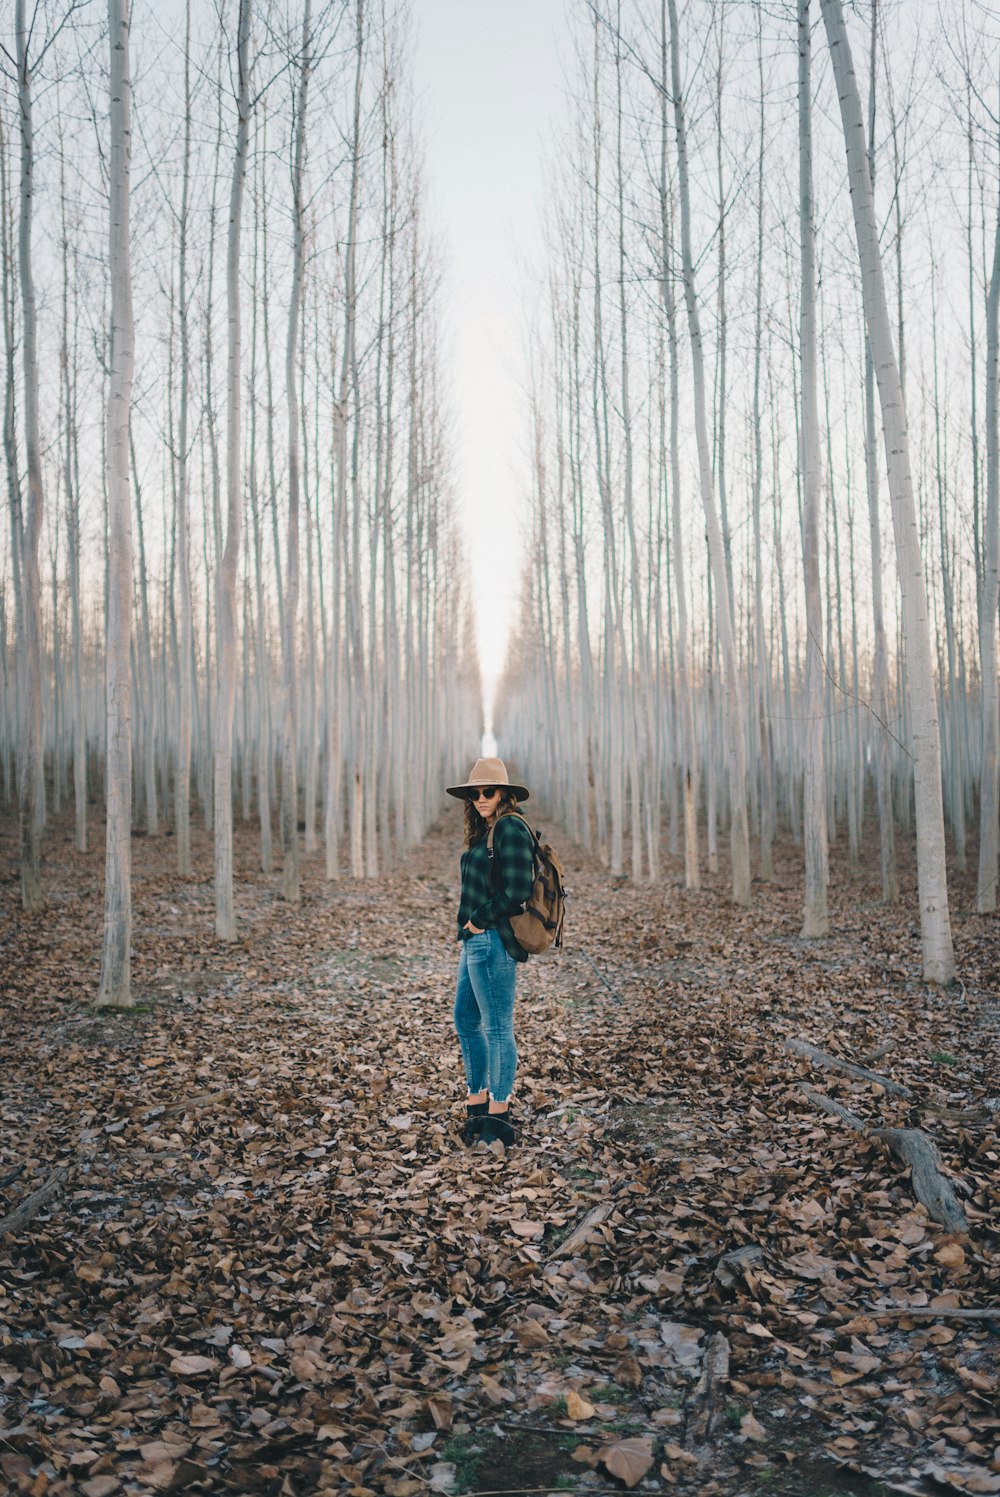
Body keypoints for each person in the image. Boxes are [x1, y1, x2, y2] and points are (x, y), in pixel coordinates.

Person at [446, 757, 535, 1149]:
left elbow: (518, 891)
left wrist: (479, 919)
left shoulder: (511, 828)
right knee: (465, 1019)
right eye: (475, 793)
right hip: (474, 941)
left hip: (493, 940)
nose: (481, 798)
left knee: (498, 1027)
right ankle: (476, 1104)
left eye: (489, 791)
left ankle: (499, 1117)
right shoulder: (486, 831)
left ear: (504, 794)